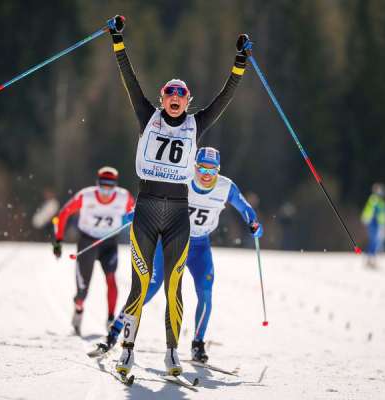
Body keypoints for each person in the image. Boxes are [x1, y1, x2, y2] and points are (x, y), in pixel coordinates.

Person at [106, 14, 250, 377]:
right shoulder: (147, 117)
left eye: (180, 95)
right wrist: (118, 40)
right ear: (161, 99)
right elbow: (129, 81)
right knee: (140, 284)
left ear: (188, 101)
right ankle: (127, 349)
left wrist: (240, 63)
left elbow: (224, 99)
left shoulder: (195, 124)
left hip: (177, 217)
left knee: (174, 286)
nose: (174, 99)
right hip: (147, 209)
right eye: (169, 94)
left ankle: (172, 351)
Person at [98, 147, 263, 363]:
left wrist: (253, 223)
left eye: (212, 171)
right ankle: (115, 331)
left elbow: (245, 207)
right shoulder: (182, 181)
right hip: (170, 240)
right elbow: (155, 199)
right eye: (202, 168)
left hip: (199, 245)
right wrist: (135, 214)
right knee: (150, 288)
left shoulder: (225, 187)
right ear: (194, 166)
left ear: (218, 171)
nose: (206, 175)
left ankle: (197, 343)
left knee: (205, 290)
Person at [53, 166, 134, 335]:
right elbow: (64, 213)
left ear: (115, 185)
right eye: (102, 185)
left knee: (111, 279)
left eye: (110, 186)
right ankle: (79, 309)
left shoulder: (123, 197)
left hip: (109, 243)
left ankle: (111, 318)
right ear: (97, 184)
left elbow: (137, 215)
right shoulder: (86, 196)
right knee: (83, 291)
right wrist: (58, 241)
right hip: (87, 242)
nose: (106, 190)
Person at [361, 183, 385, 268]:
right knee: (373, 241)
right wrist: (366, 218)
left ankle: (372, 259)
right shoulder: (374, 199)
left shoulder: (381, 201)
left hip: (379, 224)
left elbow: (383, 213)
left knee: (377, 242)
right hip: (373, 223)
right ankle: (370, 259)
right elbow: (371, 211)